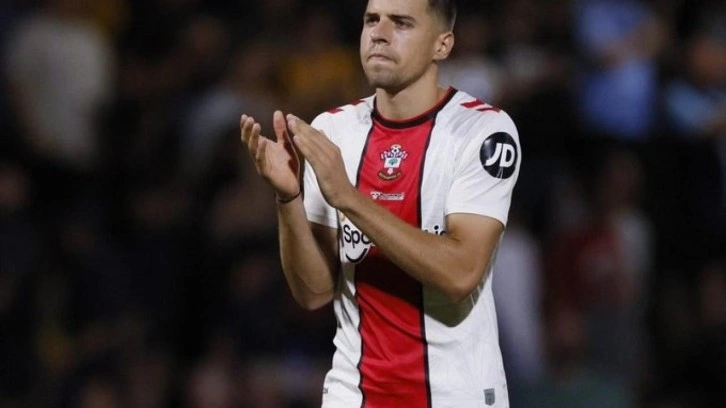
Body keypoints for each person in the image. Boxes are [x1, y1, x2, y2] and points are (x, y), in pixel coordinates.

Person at [240, 0, 521, 406]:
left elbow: (461, 275)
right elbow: (315, 292)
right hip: (353, 394)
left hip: (455, 395)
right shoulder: (333, 131)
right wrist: (288, 197)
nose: (379, 34)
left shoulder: (483, 131)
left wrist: (349, 199)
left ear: (442, 45)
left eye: (401, 23)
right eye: (372, 20)